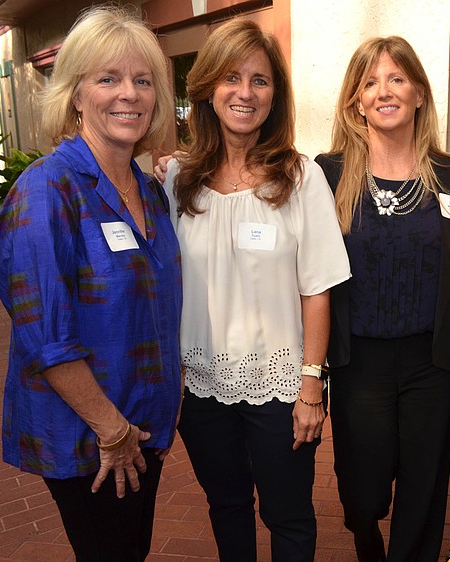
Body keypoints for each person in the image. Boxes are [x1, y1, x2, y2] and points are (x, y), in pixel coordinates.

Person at [0, 7, 181, 561]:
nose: (129, 94)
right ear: (75, 94)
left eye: (143, 81)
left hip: (142, 426)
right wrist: (112, 430)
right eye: (108, 79)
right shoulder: (47, 190)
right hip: (90, 436)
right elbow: (46, 336)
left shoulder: (149, 191)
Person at [159, 17, 350, 562]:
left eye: (260, 80)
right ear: (208, 89)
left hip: (280, 388)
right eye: (231, 78)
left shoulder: (300, 176)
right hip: (201, 386)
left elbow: (318, 288)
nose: (245, 92)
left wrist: (311, 386)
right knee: (227, 507)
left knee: (289, 517)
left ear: (275, 96)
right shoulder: (178, 180)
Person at [314, 37, 450, 561]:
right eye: (371, 82)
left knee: (424, 491)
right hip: (359, 362)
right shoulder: (328, 173)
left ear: (420, 94)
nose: (385, 91)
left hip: (431, 362)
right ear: (355, 100)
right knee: (362, 493)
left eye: (397, 79)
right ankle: (367, 545)